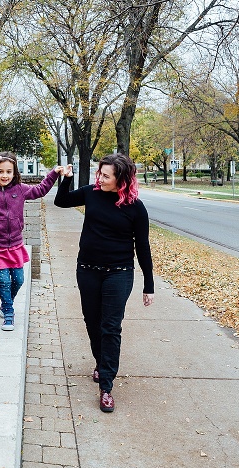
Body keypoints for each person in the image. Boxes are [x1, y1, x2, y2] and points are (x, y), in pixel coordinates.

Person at [54, 153, 154, 413]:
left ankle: (106, 386)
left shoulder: (135, 208)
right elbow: (61, 201)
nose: (100, 178)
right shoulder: (91, 193)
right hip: (87, 269)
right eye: (99, 173)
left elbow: (142, 247)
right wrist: (67, 178)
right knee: (92, 321)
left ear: (121, 179)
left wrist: (149, 284)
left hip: (119, 273)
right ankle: (101, 362)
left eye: (106, 176)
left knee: (110, 327)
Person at [0, 151, 62, 331]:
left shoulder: (20, 190)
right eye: (0, 172)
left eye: (9, 172)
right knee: (4, 281)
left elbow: (40, 190)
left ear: (15, 173)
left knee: (19, 280)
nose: (5, 175)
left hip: (15, 245)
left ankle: (6, 302)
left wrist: (54, 173)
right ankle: (8, 312)